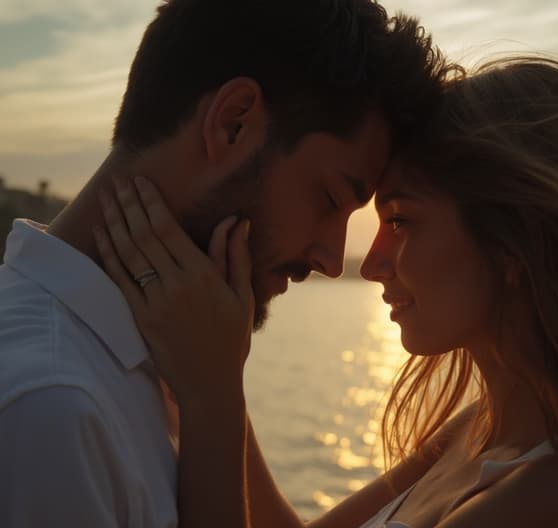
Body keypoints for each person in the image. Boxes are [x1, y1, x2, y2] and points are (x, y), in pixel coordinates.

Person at [96, 55, 558, 528]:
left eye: (403, 221)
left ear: (515, 245)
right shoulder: (479, 432)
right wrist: (214, 374)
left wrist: (213, 401)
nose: (374, 262)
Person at [0, 1, 455, 526]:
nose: (332, 259)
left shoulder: (142, 370)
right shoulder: (50, 409)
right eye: (329, 200)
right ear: (233, 123)